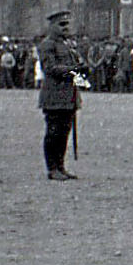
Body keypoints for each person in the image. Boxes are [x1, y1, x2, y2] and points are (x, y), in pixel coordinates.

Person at [37, 10, 83, 180]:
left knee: (64, 132)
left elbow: (77, 65)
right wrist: (72, 70)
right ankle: (52, 168)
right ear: (52, 26)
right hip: (54, 95)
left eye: (67, 24)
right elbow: (49, 68)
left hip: (69, 96)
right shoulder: (47, 45)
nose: (65, 28)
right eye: (61, 25)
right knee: (54, 132)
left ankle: (61, 166)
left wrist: (81, 70)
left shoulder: (69, 45)